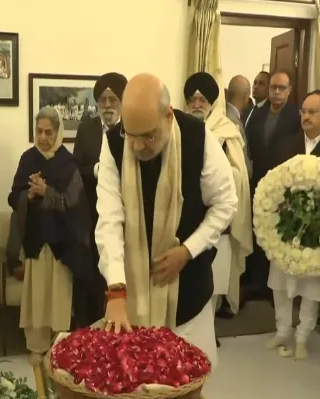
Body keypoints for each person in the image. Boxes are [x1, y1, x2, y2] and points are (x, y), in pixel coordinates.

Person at [95, 73, 238, 367]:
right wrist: (117, 291)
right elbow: (109, 220)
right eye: (130, 135)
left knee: (188, 380)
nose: (136, 147)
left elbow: (225, 204)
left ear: (168, 116)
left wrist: (187, 250)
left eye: (148, 135)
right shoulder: (112, 143)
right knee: (136, 382)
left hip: (187, 291)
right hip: (132, 289)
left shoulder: (198, 137)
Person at [264, 90, 320, 360]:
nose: (305, 116)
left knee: (312, 284)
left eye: (312, 111)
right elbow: (272, 185)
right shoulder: (285, 145)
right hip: (286, 226)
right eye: (303, 111)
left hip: (318, 229)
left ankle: (303, 335)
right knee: (280, 280)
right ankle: (282, 329)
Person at [8, 107, 93, 353]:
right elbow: (13, 196)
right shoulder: (28, 159)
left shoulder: (69, 163)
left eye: (49, 132)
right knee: (37, 303)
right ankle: (37, 351)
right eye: (39, 131)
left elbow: (74, 204)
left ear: (58, 133)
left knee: (59, 303)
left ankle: (60, 352)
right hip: (35, 244)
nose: (43, 137)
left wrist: (47, 193)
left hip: (62, 249)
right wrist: (29, 195)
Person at [184, 72, 253, 320]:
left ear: (211, 102)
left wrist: (214, 174)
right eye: (192, 99)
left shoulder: (226, 130)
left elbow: (240, 175)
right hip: (188, 216)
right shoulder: (179, 129)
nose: (197, 104)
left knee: (214, 277)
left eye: (202, 99)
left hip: (217, 218)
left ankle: (209, 325)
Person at [72, 72, 128, 324]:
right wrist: (97, 170)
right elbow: (76, 168)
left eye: (113, 99)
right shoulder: (86, 130)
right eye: (102, 100)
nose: (107, 105)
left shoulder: (131, 129)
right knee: (94, 272)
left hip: (124, 213)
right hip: (91, 215)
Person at [245, 70, 301, 299]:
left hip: (283, 184)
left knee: (278, 235)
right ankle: (256, 283)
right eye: (273, 87)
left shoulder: (296, 116)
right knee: (258, 231)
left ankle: (274, 288)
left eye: (281, 88)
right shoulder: (257, 115)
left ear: (289, 90)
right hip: (257, 180)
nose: (276, 92)